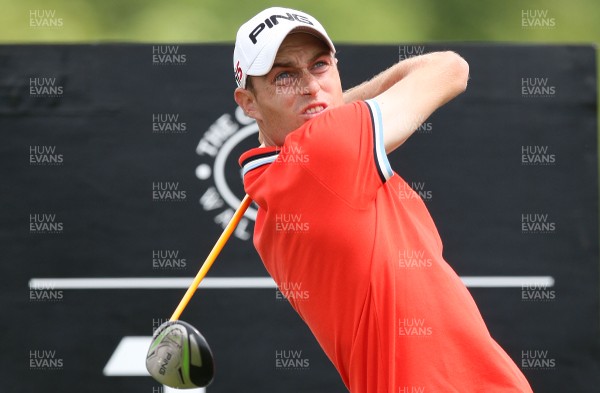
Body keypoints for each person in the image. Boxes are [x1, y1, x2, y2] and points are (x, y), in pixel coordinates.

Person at [233, 7, 533, 393]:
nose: (310, 86)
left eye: (320, 65)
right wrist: (333, 108)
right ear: (249, 103)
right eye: (285, 76)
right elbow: (450, 68)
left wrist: (325, 110)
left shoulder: (277, 190)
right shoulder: (323, 152)